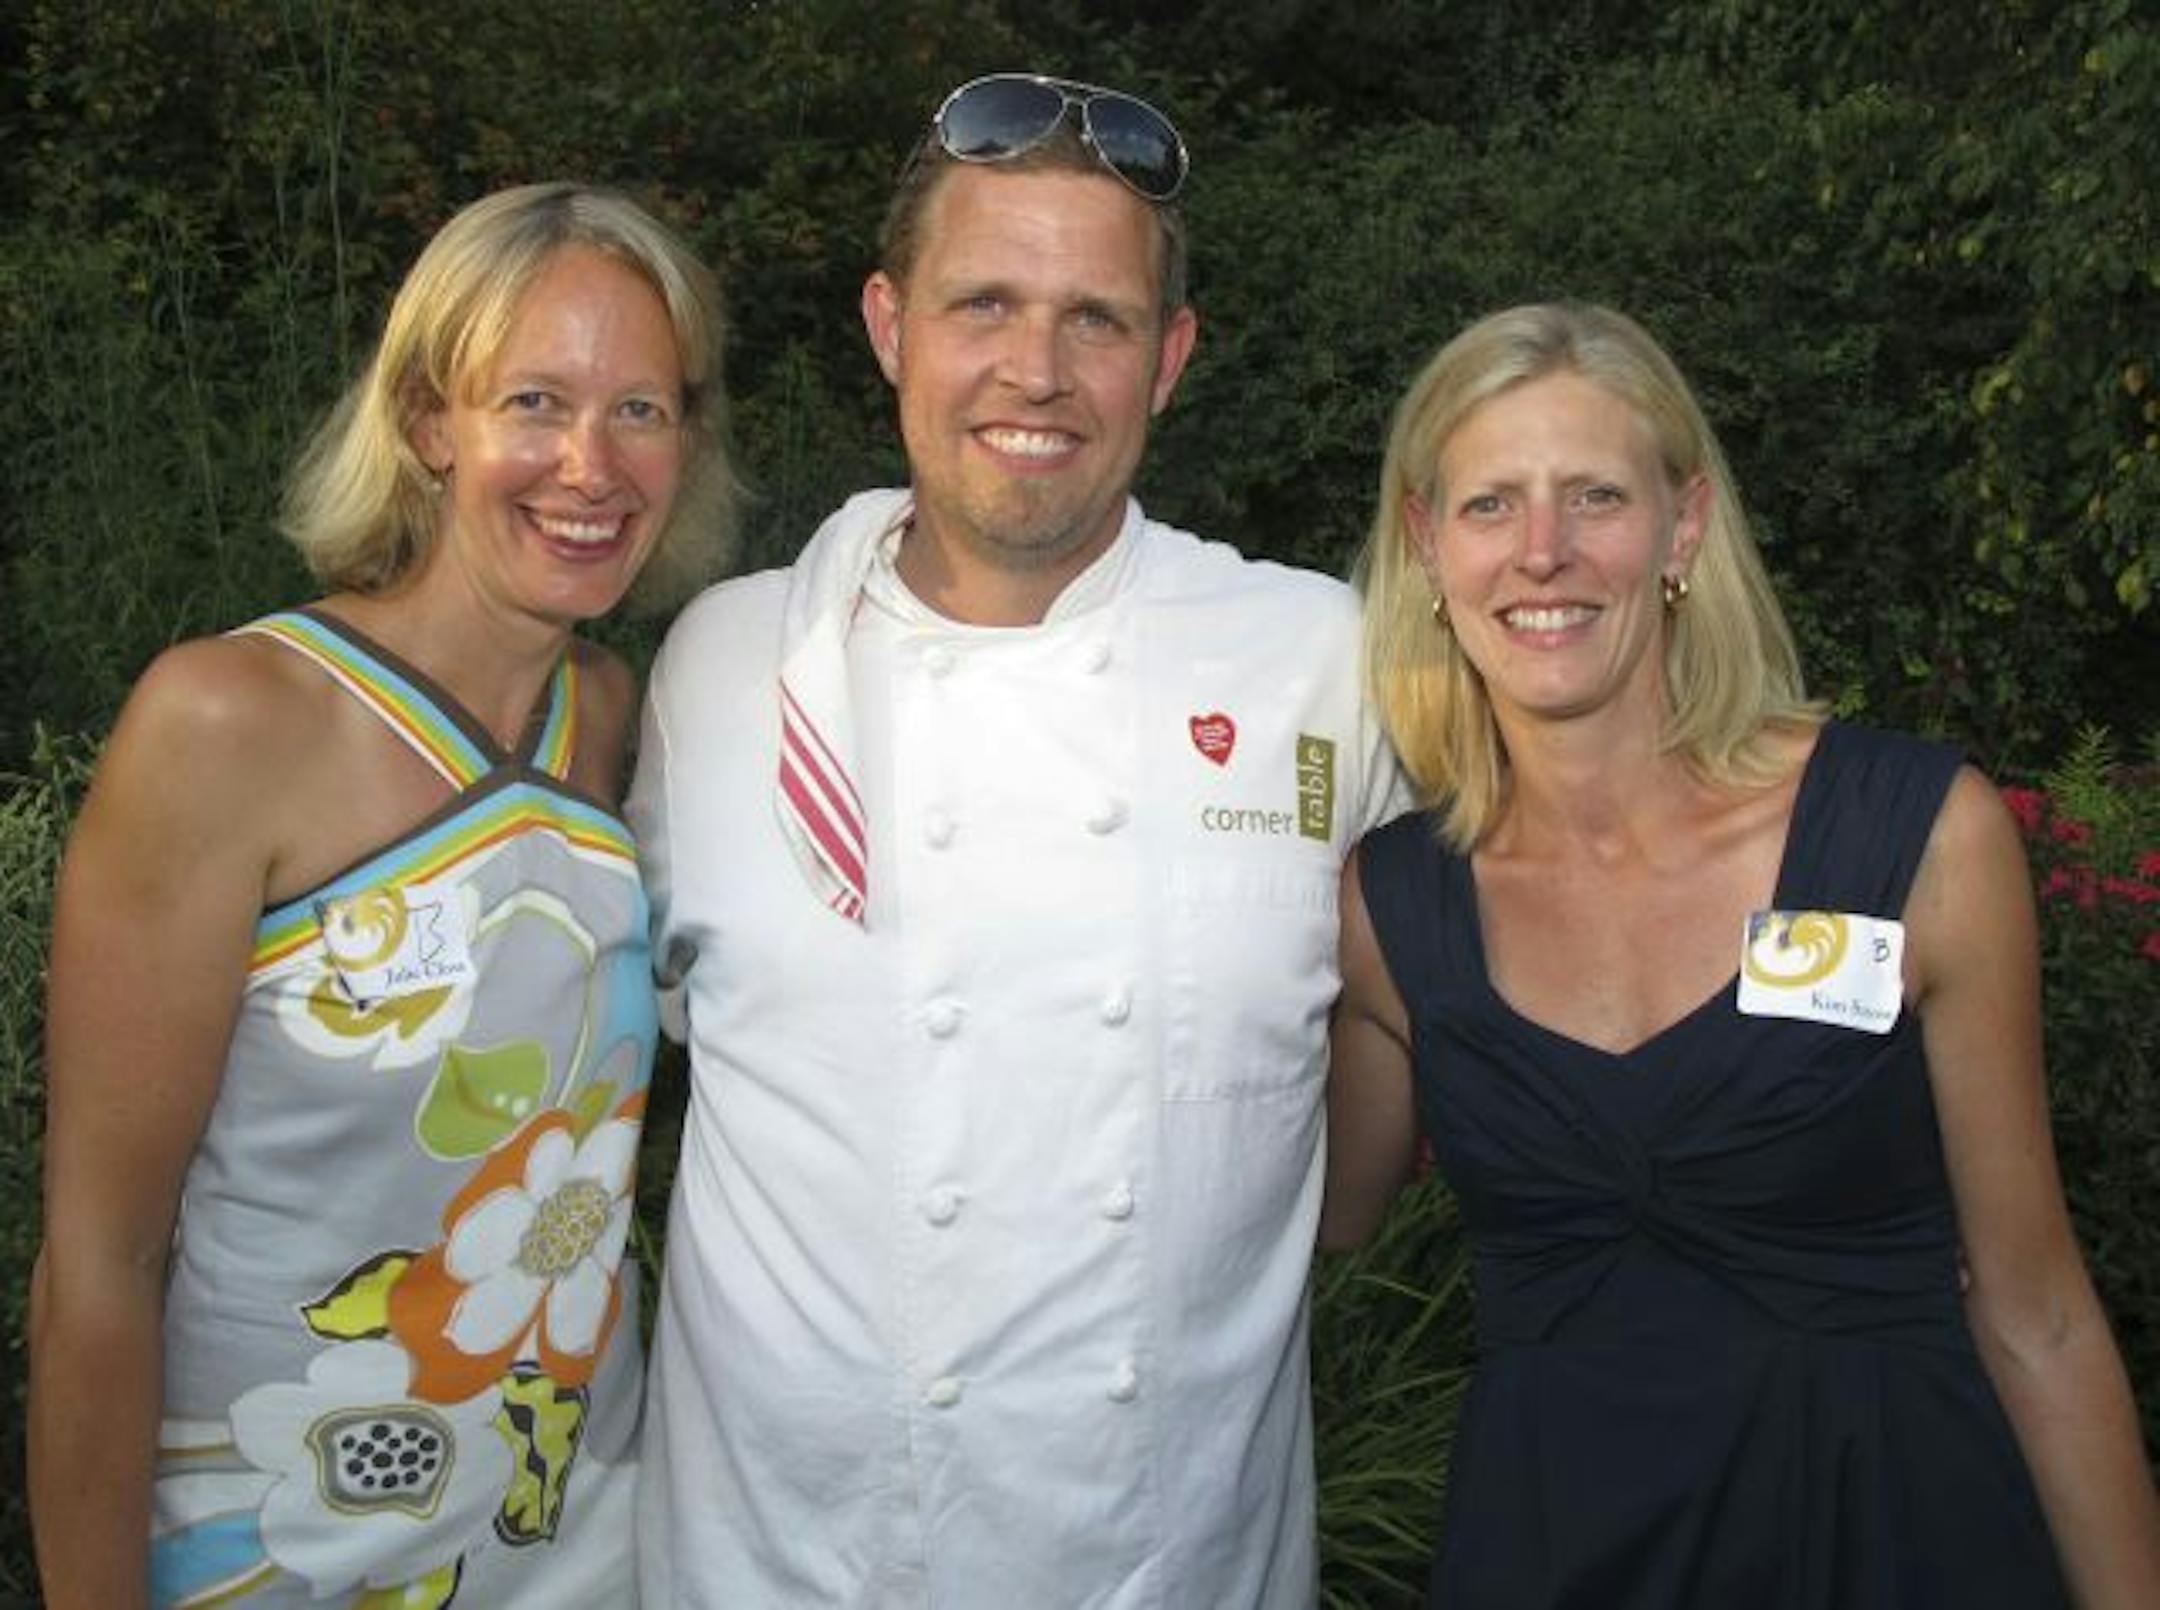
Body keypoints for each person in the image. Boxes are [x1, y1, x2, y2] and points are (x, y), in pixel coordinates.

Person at [628, 73, 1403, 1607]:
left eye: (1097, 318)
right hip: (776, 1570)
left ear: (1169, 361)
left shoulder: (1326, 660)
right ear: (888, 326)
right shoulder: (723, 667)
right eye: (983, 301)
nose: (1035, 371)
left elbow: (1448, 984)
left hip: (1178, 1568)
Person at [1324, 300, 2160, 1607]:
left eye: (1595, 494)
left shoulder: (1917, 838)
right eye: (1491, 505)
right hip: (1555, 1555)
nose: (1543, 552)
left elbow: (2038, 1310)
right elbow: (1294, 1220)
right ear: (1429, 546)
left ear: (1684, 525)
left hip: (1898, 1542)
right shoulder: (1391, 912)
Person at [28, 181, 736, 1609]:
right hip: (277, 1542)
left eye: (641, 410)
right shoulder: (228, 721)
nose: (590, 465)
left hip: (579, 1537)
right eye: (534, 399)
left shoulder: (612, 716)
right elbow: (99, 1259)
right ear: (430, 421)